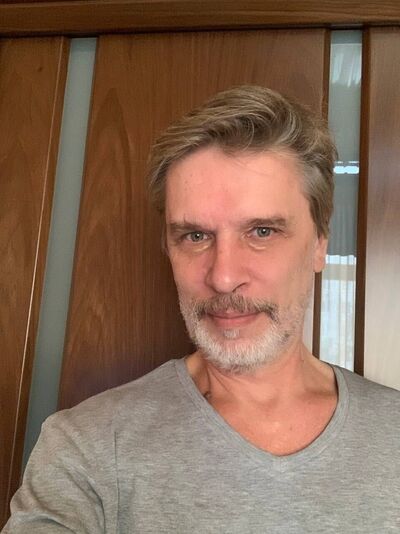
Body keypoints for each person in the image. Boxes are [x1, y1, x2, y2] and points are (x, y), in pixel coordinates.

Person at [3, 86, 400, 533]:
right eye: (195, 236)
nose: (223, 277)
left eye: (262, 231)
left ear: (319, 245)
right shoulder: (87, 448)